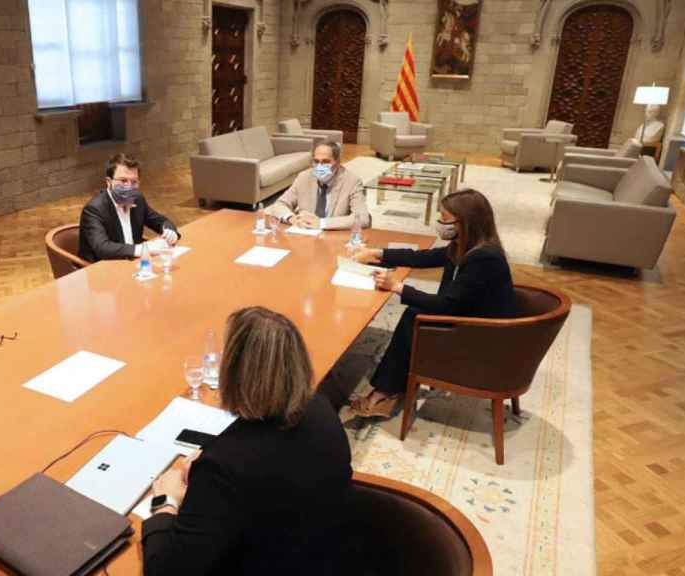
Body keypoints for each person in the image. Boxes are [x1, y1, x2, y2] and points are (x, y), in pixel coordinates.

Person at [142, 307, 352, 575]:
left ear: (233, 371)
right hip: (324, 554)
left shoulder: (224, 465)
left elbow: (166, 570)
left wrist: (166, 502)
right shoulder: (321, 408)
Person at [349, 189, 516, 418]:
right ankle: (391, 385)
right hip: (472, 316)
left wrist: (397, 287)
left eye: (445, 219)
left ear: (466, 222)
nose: (440, 223)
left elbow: (445, 306)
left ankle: (384, 392)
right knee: (415, 315)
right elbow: (422, 258)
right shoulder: (466, 246)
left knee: (414, 316)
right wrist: (377, 253)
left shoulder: (484, 258)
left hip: (482, 335)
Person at [78, 153, 180, 262]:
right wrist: (143, 249)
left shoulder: (138, 200)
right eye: (123, 181)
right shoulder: (94, 209)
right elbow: (103, 248)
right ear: (109, 182)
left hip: (133, 264)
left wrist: (170, 231)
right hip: (102, 269)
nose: (129, 187)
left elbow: (162, 221)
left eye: (134, 182)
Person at [265, 141, 370, 230]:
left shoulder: (352, 181)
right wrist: (291, 218)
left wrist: (321, 223)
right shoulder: (304, 177)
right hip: (304, 236)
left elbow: (362, 218)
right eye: (316, 161)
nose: (320, 167)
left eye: (325, 162)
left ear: (337, 163)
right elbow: (279, 204)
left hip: (333, 238)